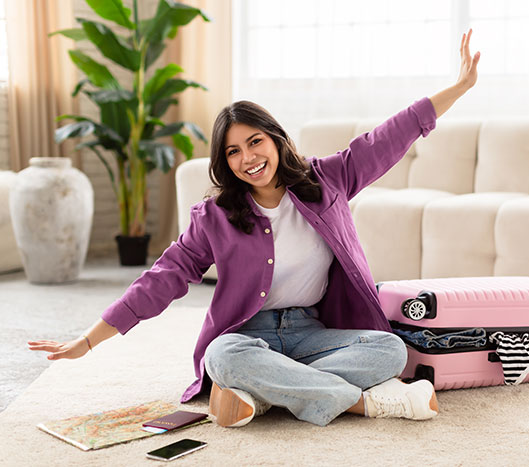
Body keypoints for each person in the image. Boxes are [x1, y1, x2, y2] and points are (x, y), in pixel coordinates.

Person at [28, 29, 481, 428]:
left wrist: (458, 88)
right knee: (221, 357)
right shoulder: (214, 217)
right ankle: (363, 404)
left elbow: (389, 136)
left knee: (390, 351)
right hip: (248, 336)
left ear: (276, 139)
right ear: (224, 163)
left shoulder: (330, 179)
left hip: (313, 332)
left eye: (255, 142)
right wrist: (90, 339)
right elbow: (160, 280)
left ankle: (261, 394)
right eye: (232, 152)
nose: (248, 158)